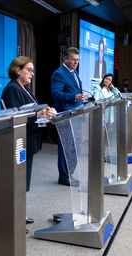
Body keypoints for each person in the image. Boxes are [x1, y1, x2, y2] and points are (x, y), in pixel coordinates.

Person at [1, 56, 56, 226]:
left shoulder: (23, 88)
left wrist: (44, 111)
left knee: (22, 182)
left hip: (28, 140)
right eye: (29, 70)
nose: (32, 74)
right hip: (19, 141)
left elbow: (33, 109)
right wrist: (38, 114)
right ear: (18, 70)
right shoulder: (12, 89)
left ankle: (20, 214)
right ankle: (14, 218)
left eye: (33, 70)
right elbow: (14, 117)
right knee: (18, 182)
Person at [51, 47, 86, 186]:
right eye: (73, 60)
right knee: (66, 146)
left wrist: (84, 100)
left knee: (75, 146)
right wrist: (74, 96)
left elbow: (77, 92)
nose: (76, 62)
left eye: (77, 60)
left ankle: (70, 174)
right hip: (66, 114)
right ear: (65, 59)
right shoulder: (59, 74)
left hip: (76, 114)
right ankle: (64, 176)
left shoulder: (74, 72)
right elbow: (57, 94)